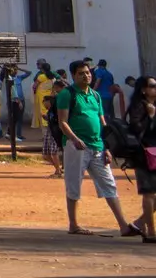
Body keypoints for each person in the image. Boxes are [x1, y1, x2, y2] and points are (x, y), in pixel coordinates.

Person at [56, 59, 138, 237]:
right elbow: (62, 122)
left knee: (109, 184)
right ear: (73, 76)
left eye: (87, 72)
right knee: (73, 184)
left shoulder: (95, 95)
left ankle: (123, 225)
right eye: (81, 73)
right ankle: (74, 224)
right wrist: (75, 139)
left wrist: (107, 147)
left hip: (98, 147)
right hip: (75, 146)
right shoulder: (67, 95)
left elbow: (102, 123)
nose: (86, 76)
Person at [120, 75, 156, 242]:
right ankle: (150, 233)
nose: (155, 89)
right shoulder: (139, 106)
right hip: (144, 154)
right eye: (152, 86)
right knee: (149, 194)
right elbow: (137, 130)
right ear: (143, 89)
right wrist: (149, 116)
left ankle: (140, 223)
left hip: (154, 153)